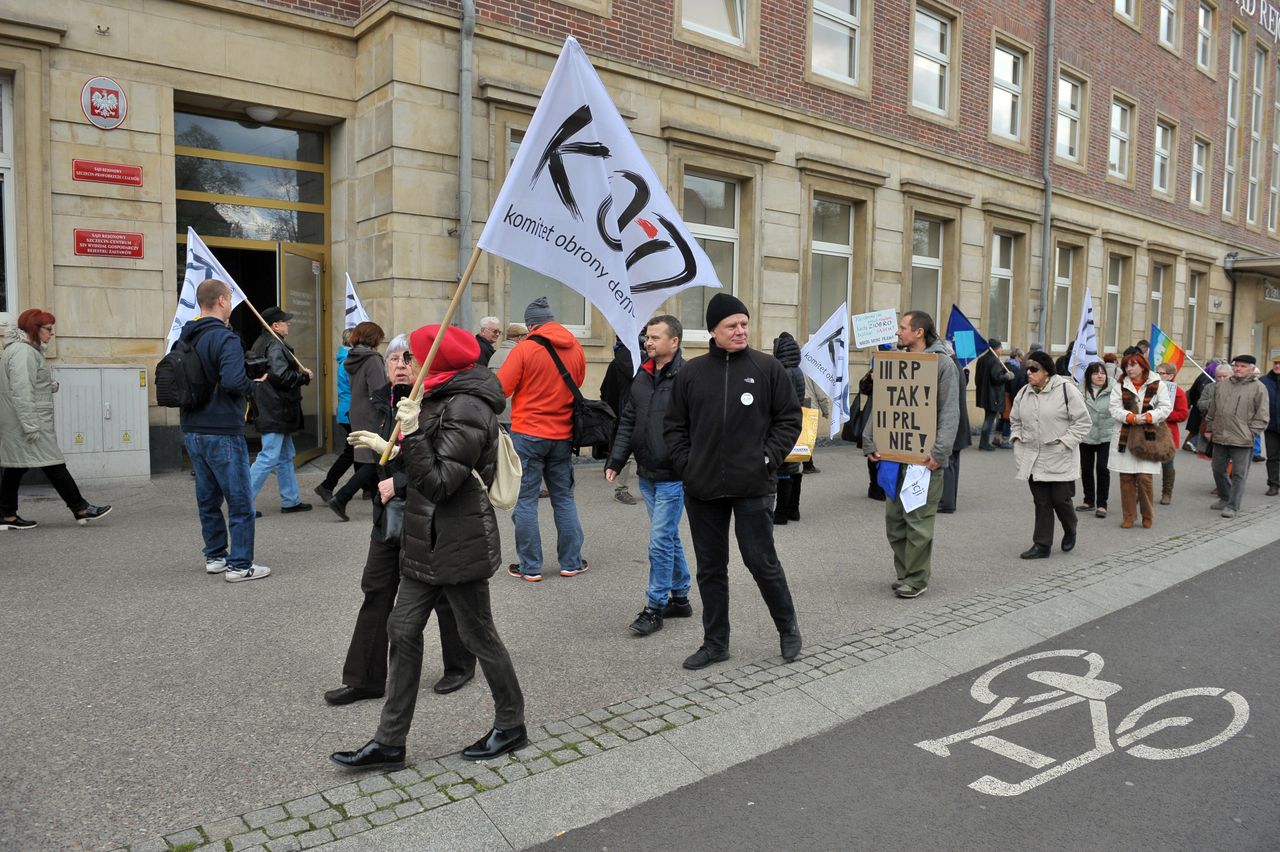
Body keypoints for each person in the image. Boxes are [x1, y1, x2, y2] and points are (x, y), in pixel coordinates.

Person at [330, 324, 526, 769]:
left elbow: (440, 482)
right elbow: (426, 464)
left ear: (436, 361)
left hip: (458, 540)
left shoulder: (469, 406)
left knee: (479, 636)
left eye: (415, 357)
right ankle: (389, 742)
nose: (407, 364)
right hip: (424, 539)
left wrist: (412, 434)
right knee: (402, 629)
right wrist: (392, 447)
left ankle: (512, 724)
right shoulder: (437, 395)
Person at [323, 333, 475, 706]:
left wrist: (401, 481)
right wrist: (385, 469)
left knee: (443, 594)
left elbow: (451, 464)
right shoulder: (380, 403)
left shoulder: (437, 404)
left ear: (422, 365)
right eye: (395, 359)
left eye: (410, 358)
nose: (402, 364)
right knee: (376, 590)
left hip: (430, 514)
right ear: (386, 366)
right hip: (388, 517)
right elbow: (381, 463)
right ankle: (365, 679)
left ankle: (460, 664)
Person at [666, 293, 803, 669]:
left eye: (744, 323)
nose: (740, 330)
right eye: (732, 325)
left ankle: (787, 629)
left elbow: (789, 420)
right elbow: (674, 427)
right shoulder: (691, 373)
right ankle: (715, 643)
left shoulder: (767, 368)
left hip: (753, 485)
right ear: (713, 330)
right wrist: (687, 465)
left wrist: (767, 457)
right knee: (711, 568)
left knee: (761, 562)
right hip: (703, 487)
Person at [862, 310, 959, 599]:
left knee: (918, 519)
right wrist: (872, 442)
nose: (898, 333)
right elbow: (883, 405)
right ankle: (904, 572)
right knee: (895, 521)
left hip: (924, 459)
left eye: (903, 328)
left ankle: (916, 579)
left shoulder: (942, 364)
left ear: (919, 332)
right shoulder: (894, 362)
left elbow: (949, 411)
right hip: (894, 456)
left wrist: (940, 451)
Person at [605, 315, 692, 636]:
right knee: (667, 537)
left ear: (675, 342)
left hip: (673, 475)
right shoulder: (641, 376)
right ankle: (680, 597)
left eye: (655, 337)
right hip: (647, 473)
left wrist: (688, 463)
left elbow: (699, 427)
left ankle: (655, 606)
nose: (648, 342)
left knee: (658, 542)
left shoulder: (688, 377)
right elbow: (628, 421)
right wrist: (616, 459)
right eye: (647, 337)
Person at [174, 280, 266, 580]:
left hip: (192, 428)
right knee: (240, 501)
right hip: (223, 428)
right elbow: (232, 382)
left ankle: (215, 556)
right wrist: (254, 385)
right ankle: (240, 565)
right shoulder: (225, 339)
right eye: (230, 299)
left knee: (208, 498)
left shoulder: (185, 337)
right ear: (223, 301)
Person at [497, 297, 587, 581]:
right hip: (562, 434)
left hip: (527, 433)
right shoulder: (576, 348)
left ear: (531, 325)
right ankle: (571, 562)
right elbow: (579, 382)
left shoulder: (524, 349)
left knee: (525, 500)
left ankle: (530, 567)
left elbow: (501, 390)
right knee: (563, 498)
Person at [0, 309, 111, 531]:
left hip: (19, 421)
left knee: (16, 467)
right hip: (29, 422)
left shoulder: (22, 351)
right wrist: (31, 425)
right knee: (54, 463)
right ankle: (80, 508)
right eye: (48, 329)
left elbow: (25, 384)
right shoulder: (23, 352)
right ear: (34, 329)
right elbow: (21, 391)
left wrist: (47, 385)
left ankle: (7, 515)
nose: (52, 334)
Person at [1010, 350, 1091, 559]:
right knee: (1041, 501)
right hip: (1032, 456)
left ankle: (1070, 527)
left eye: (1033, 369)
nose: (1028, 373)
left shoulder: (1066, 390)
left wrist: (1066, 442)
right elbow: (1015, 419)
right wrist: (1017, 436)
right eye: (1026, 368)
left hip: (1059, 454)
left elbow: (1083, 422)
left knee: (1061, 500)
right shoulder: (1024, 392)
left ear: (1046, 371)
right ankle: (1042, 545)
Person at [248, 306, 313, 514]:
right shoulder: (275, 345)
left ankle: (290, 500)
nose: (289, 324)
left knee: (285, 455)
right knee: (268, 456)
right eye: (285, 321)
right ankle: (242, 502)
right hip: (276, 408)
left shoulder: (263, 342)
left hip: (274, 407)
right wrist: (303, 377)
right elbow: (281, 377)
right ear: (275, 325)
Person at [328, 321, 387, 521]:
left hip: (357, 410)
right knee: (376, 458)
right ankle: (341, 497)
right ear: (374, 338)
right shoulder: (373, 359)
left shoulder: (352, 357)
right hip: (371, 412)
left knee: (365, 458)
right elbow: (379, 390)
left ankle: (378, 504)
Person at [1109, 352, 1172, 529]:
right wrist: (1130, 416)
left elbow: (1166, 407)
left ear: (1143, 365)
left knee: (1145, 478)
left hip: (1149, 435)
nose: (1129, 369)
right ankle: (1129, 516)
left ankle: (1147, 514)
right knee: (1126, 479)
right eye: (1126, 366)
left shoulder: (1157, 384)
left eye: (1133, 365)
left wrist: (1150, 416)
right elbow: (1113, 408)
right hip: (1125, 435)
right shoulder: (1119, 385)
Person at [1203, 354, 1270, 517]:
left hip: (1243, 439)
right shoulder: (1222, 385)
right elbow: (1213, 409)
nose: (1238, 369)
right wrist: (1209, 427)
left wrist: (1251, 432)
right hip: (1220, 435)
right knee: (1218, 470)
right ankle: (1225, 498)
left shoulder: (1259, 388)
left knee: (1239, 474)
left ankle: (1233, 506)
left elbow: (1262, 416)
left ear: (1251, 369)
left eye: (1243, 366)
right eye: (1236, 365)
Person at [316, 328, 355, 504]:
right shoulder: (350, 362)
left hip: (347, 410)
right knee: (353, 451)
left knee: (358, 450)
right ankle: (327, 485)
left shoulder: (345, 359)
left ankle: (369, 488)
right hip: (351, 411)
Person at [771, 331, 806, 525]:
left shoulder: (783, 372)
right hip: (797, 421)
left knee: (783, 467)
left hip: (784, 423)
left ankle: (781, 512)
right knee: (794, 466)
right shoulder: (798, 370)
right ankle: (794, 508)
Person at [599, 336, 639, 505]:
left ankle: (621, 490)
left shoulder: (615, 364)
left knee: (624, 451)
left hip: (623, 413)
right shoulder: (646, 361)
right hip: (645, 411)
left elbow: (606, 391)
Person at [1077, 362, 1117, 519]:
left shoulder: (1114, 390)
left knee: (1102, 468)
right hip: (1086, 434)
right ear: (1089, 376)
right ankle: (1088, 500)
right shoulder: (1080, 390)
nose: (1100, 375)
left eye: (1102, 373)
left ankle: (1102, 504)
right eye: (1095, 373)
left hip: (1106, 434)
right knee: (1086, 469)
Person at [938, 341, 971, 515]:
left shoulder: (950, 366)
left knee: (949, 463)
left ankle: (946, 502)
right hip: (959, 423)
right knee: (953, 463)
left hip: (954, 423)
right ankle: (949, 500)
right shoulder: (957, 365)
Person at [1154, 362, 1189, 505]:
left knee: (1167, 464)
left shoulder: (1178, 392)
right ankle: (1141, 492)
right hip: (1149, 430)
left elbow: (1182, 414)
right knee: (1144, 463)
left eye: (1161, 373)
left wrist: (1164, 414)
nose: (1158, 375)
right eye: (1157, 372)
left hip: (1167, 432)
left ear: (1170, 376)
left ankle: (1167, 493)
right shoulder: (1151, 388)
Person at [977, 338, 1011, 450]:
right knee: (989, 419)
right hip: (993, 395)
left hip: (984, 394)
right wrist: (1007, 377)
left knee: (988, 417)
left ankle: (984, 442)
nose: (1002, 350)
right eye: (1001, 347)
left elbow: (977, 378)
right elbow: (996, 379)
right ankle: (984, 443)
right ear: (995, 348)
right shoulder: (995, 361)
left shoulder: (981, 359)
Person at [1183, 360, 1217, 451]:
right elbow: (1201, 393)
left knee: (1196, 429)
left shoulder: (1204, 376)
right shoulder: (1206, 378)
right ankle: (1188, 444)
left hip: (1197, 406)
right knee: (1198, 429)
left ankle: (1189, 444)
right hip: (1199, 407)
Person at [802, 375, 830, 474]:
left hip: (790, 405)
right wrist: (825, 410)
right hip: (808, 405)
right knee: (807, 437)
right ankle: (808, 465)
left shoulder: (784, 364)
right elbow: (820, 393)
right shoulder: (811, 370)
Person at [1262, 356, 1280, 496]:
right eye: (1275, 363)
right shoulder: (1264, 381)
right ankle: (1273, 484)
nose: (1277, 366)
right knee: (1272, 457)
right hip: (1271, 426)